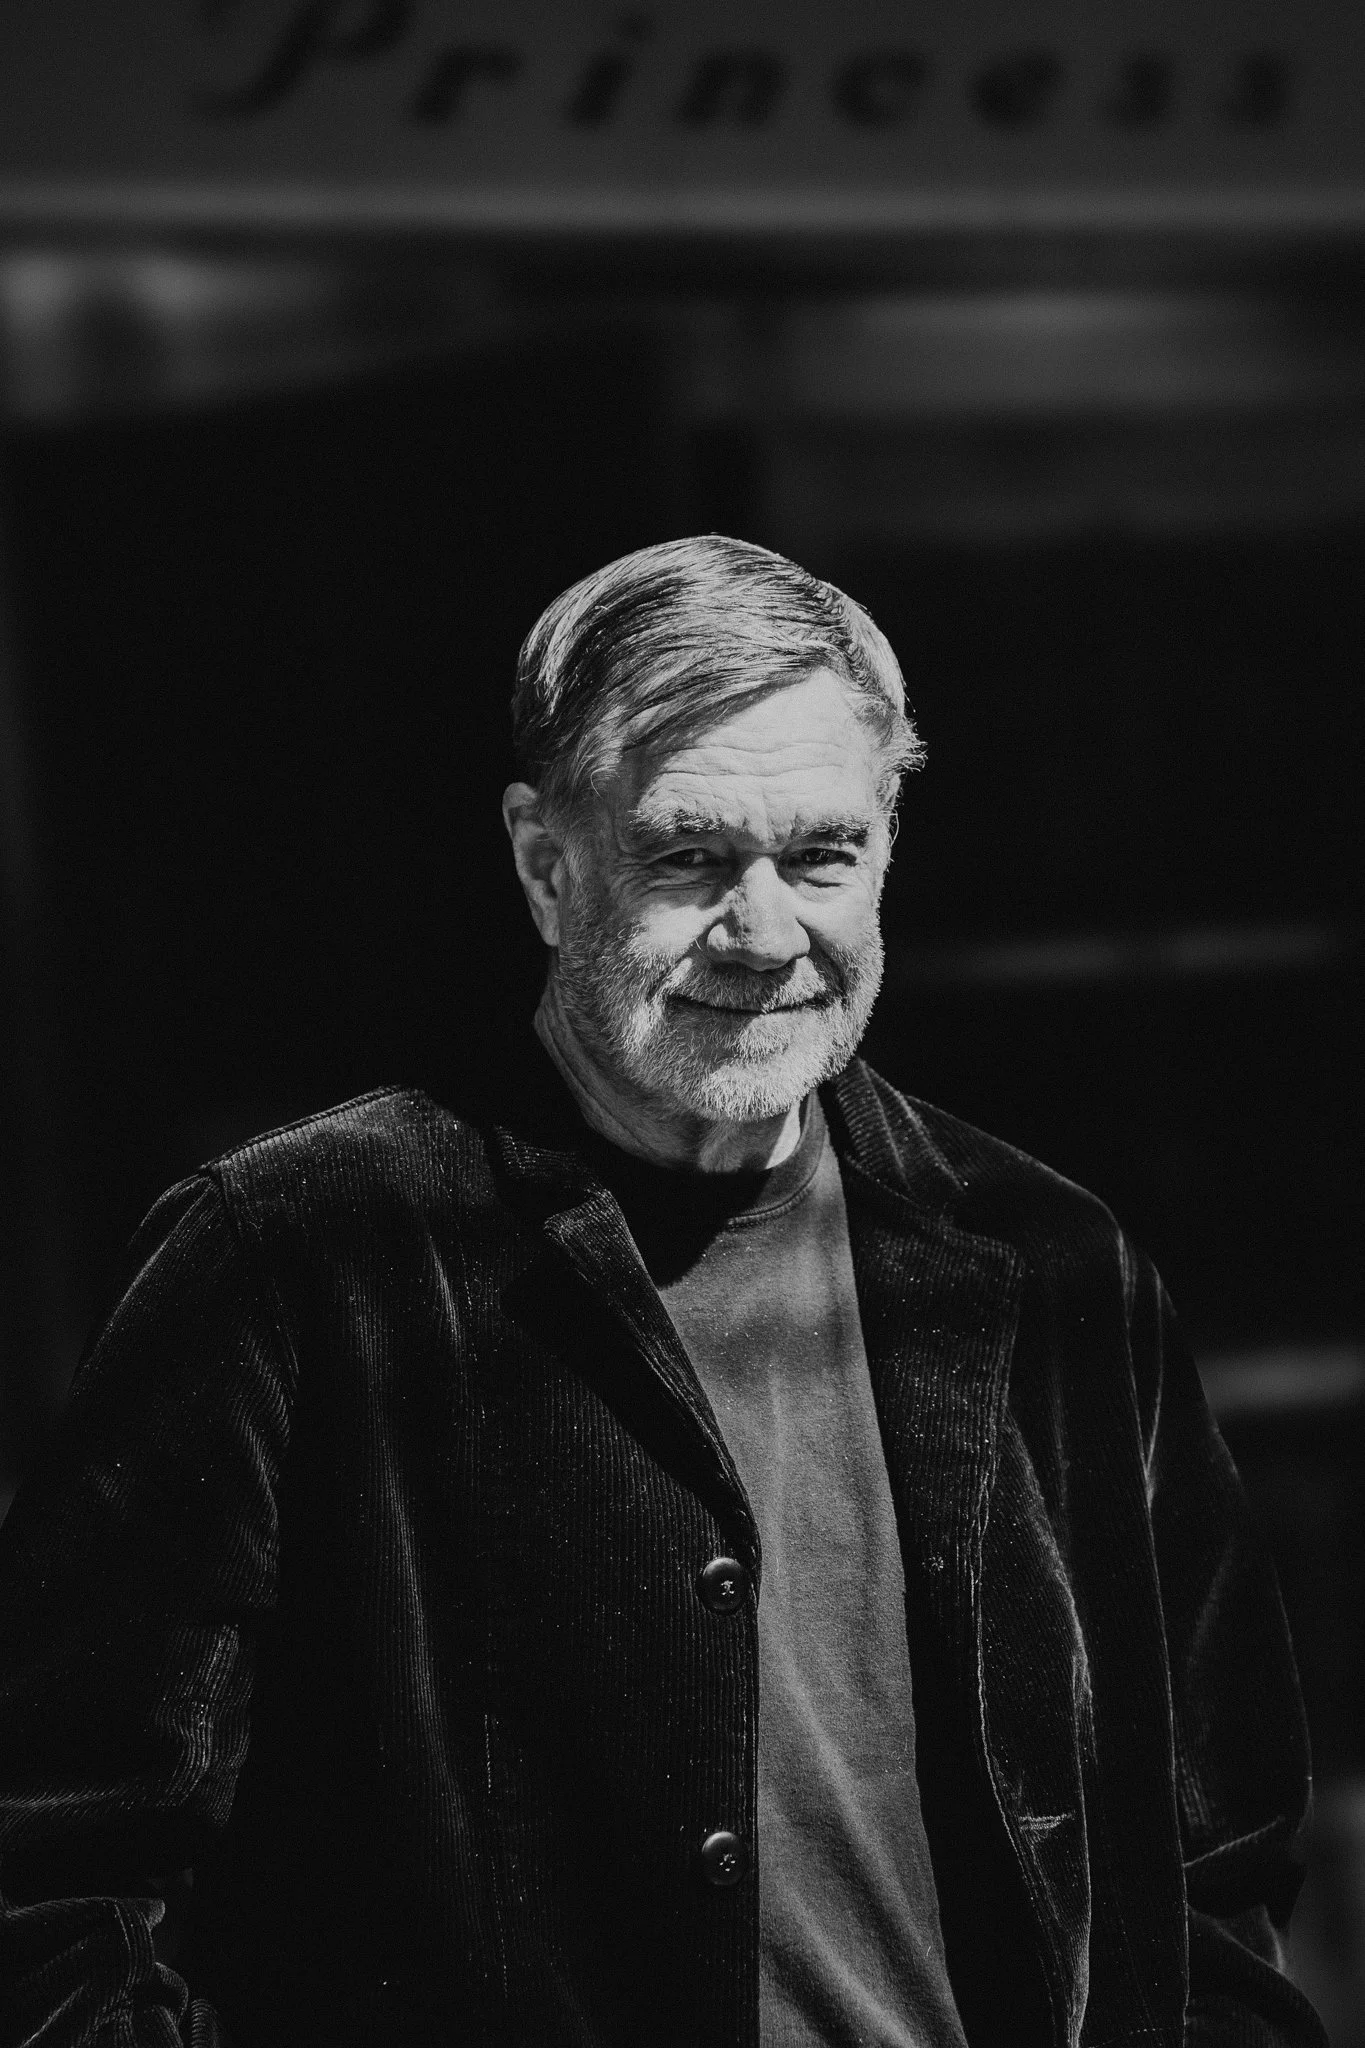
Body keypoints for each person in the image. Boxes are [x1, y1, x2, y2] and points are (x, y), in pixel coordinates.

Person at [0, 537, 1324, 2048]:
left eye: (821, 855)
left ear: (887, 843)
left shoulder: (1049, 1263)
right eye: (690, 857)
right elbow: (50, 1882)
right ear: (544, 864)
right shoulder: (296, 1258)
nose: (765, 934)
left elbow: (1211, 1866)